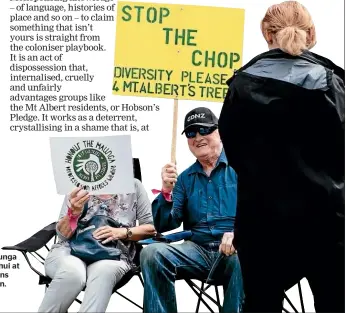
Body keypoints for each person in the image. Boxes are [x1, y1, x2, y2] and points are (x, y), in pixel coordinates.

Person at [218, 1, 344, 312]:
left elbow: (233, 153)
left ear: (266, 34)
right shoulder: (331, 82)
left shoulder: (241, 84)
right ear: (311, 32)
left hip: (261, 222)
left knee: (262, 304)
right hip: (325, 220)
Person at [140, 107, 243, 313]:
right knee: (152, 253)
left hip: (237, 248)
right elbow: (164, 224)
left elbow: (263, 212)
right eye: (191, 133)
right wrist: (166, 192)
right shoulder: (185, 178)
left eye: (205, 130)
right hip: (198, 250)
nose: (198, 137)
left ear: (220, 131)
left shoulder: (242, 166)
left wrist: (239, 234)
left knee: (246, 258)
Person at [38, 178, 156, 313]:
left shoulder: (134, 186)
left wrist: (122, 232)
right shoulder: (77, 185)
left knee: (103, 272)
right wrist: (73, 213)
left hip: (114, 253)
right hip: (70, 250)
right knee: (72, 274)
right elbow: (63, 235)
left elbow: (149, 229)